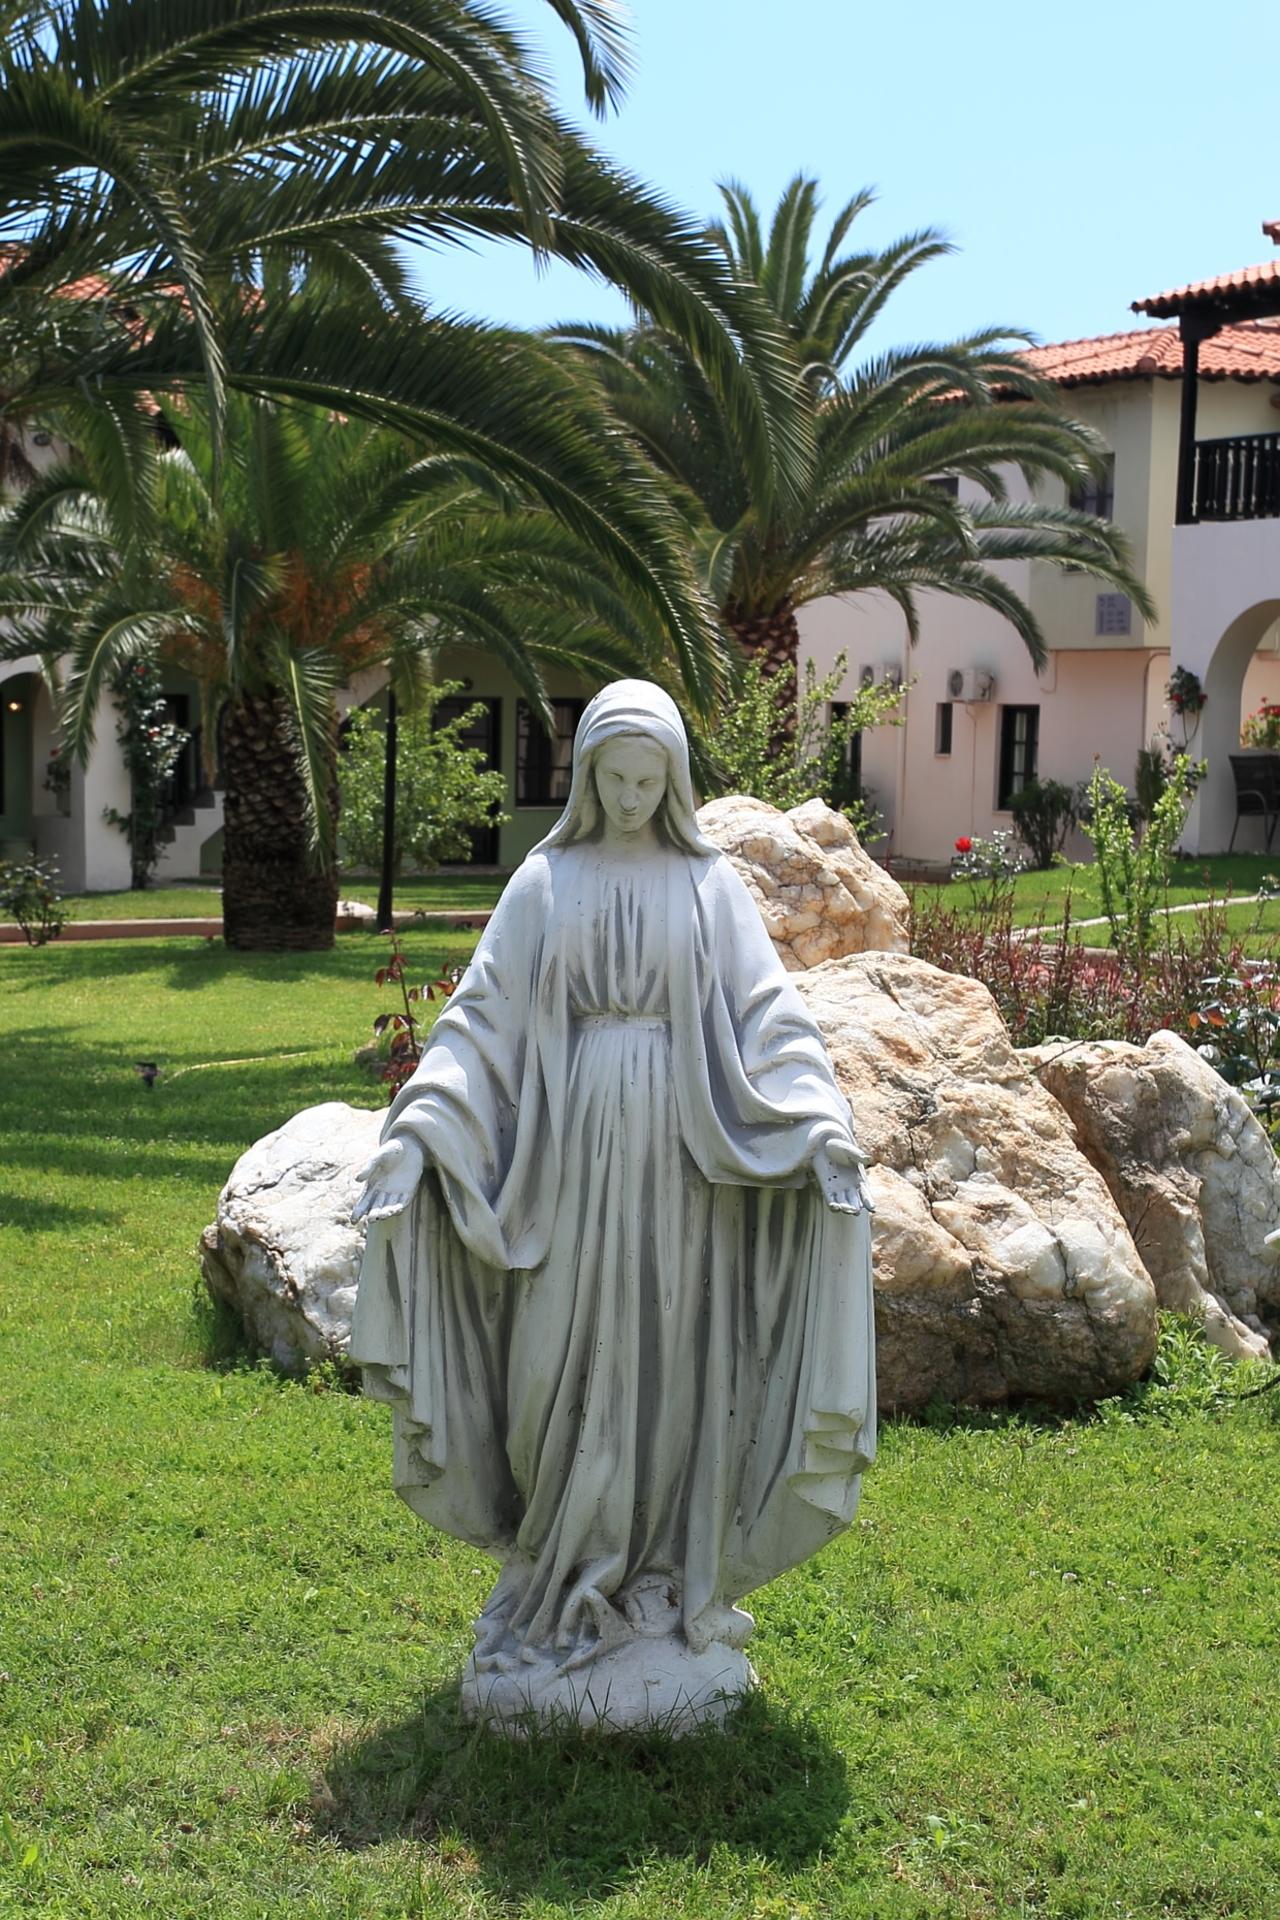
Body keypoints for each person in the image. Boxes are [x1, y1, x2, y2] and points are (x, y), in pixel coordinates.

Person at [350, 679, 875, 1729]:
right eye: (615, 778)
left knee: (668, 1367)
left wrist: (819, 1123)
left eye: (649, 780)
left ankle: (656, 1584)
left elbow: (766, 1014)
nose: (632, 798)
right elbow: (481, 1022)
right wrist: (419, 1132)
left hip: (681, 1160)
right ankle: (554, 1576)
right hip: (567, 1157)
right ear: (586, 775)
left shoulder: (706, 884)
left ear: (673, 781)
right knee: (551, 1367)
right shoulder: (545, 882)